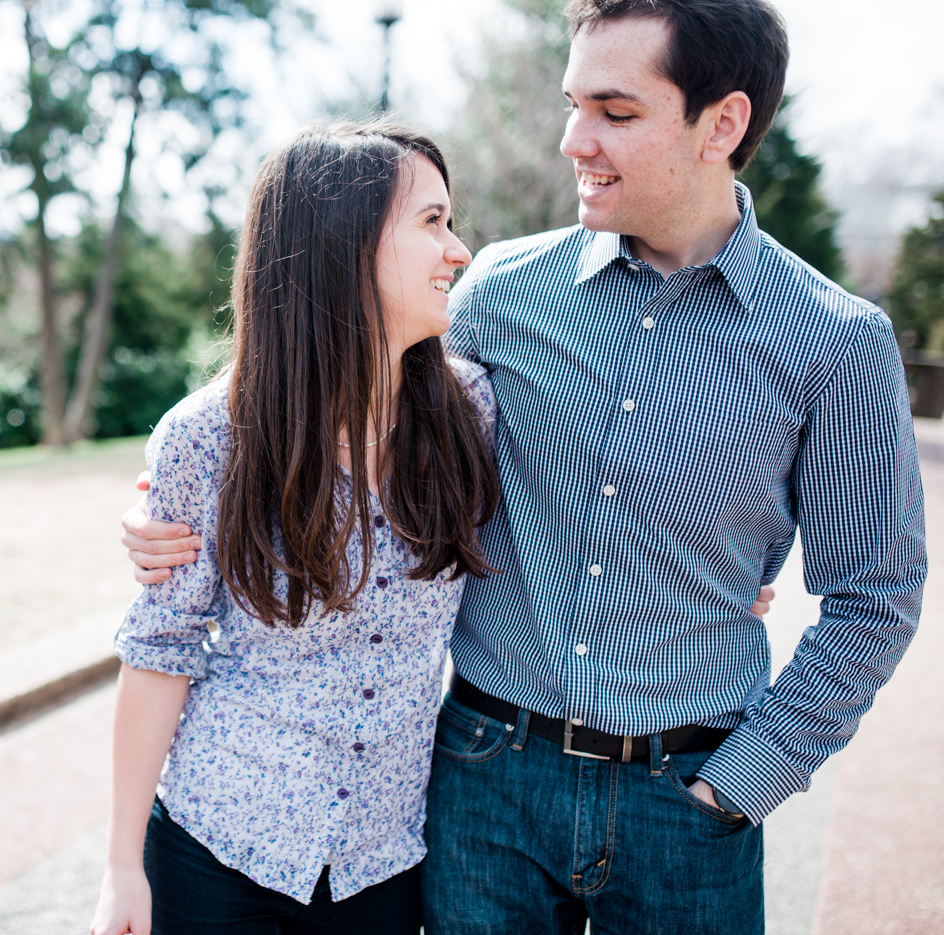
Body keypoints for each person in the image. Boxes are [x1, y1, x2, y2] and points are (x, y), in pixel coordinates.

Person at [121, 0, 927, 932]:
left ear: (724, 123)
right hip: (482, 782)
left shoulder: (834, 342)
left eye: (615, 113)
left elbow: (877, 592)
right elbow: (332, 386)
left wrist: (743, 782)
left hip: (689, 801)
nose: (573, 140)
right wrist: (167, 506)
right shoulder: (500, 289)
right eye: (572, 103)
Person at [90, 122, 501, 935]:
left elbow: (572, 526)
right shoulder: (208, 436)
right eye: (432, 222)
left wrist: (707, 575)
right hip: (218, 849)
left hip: (381, 864)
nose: (458, 251)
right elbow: (159, 650)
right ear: (343, 244)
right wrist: (120, 865)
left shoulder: (473, 412)